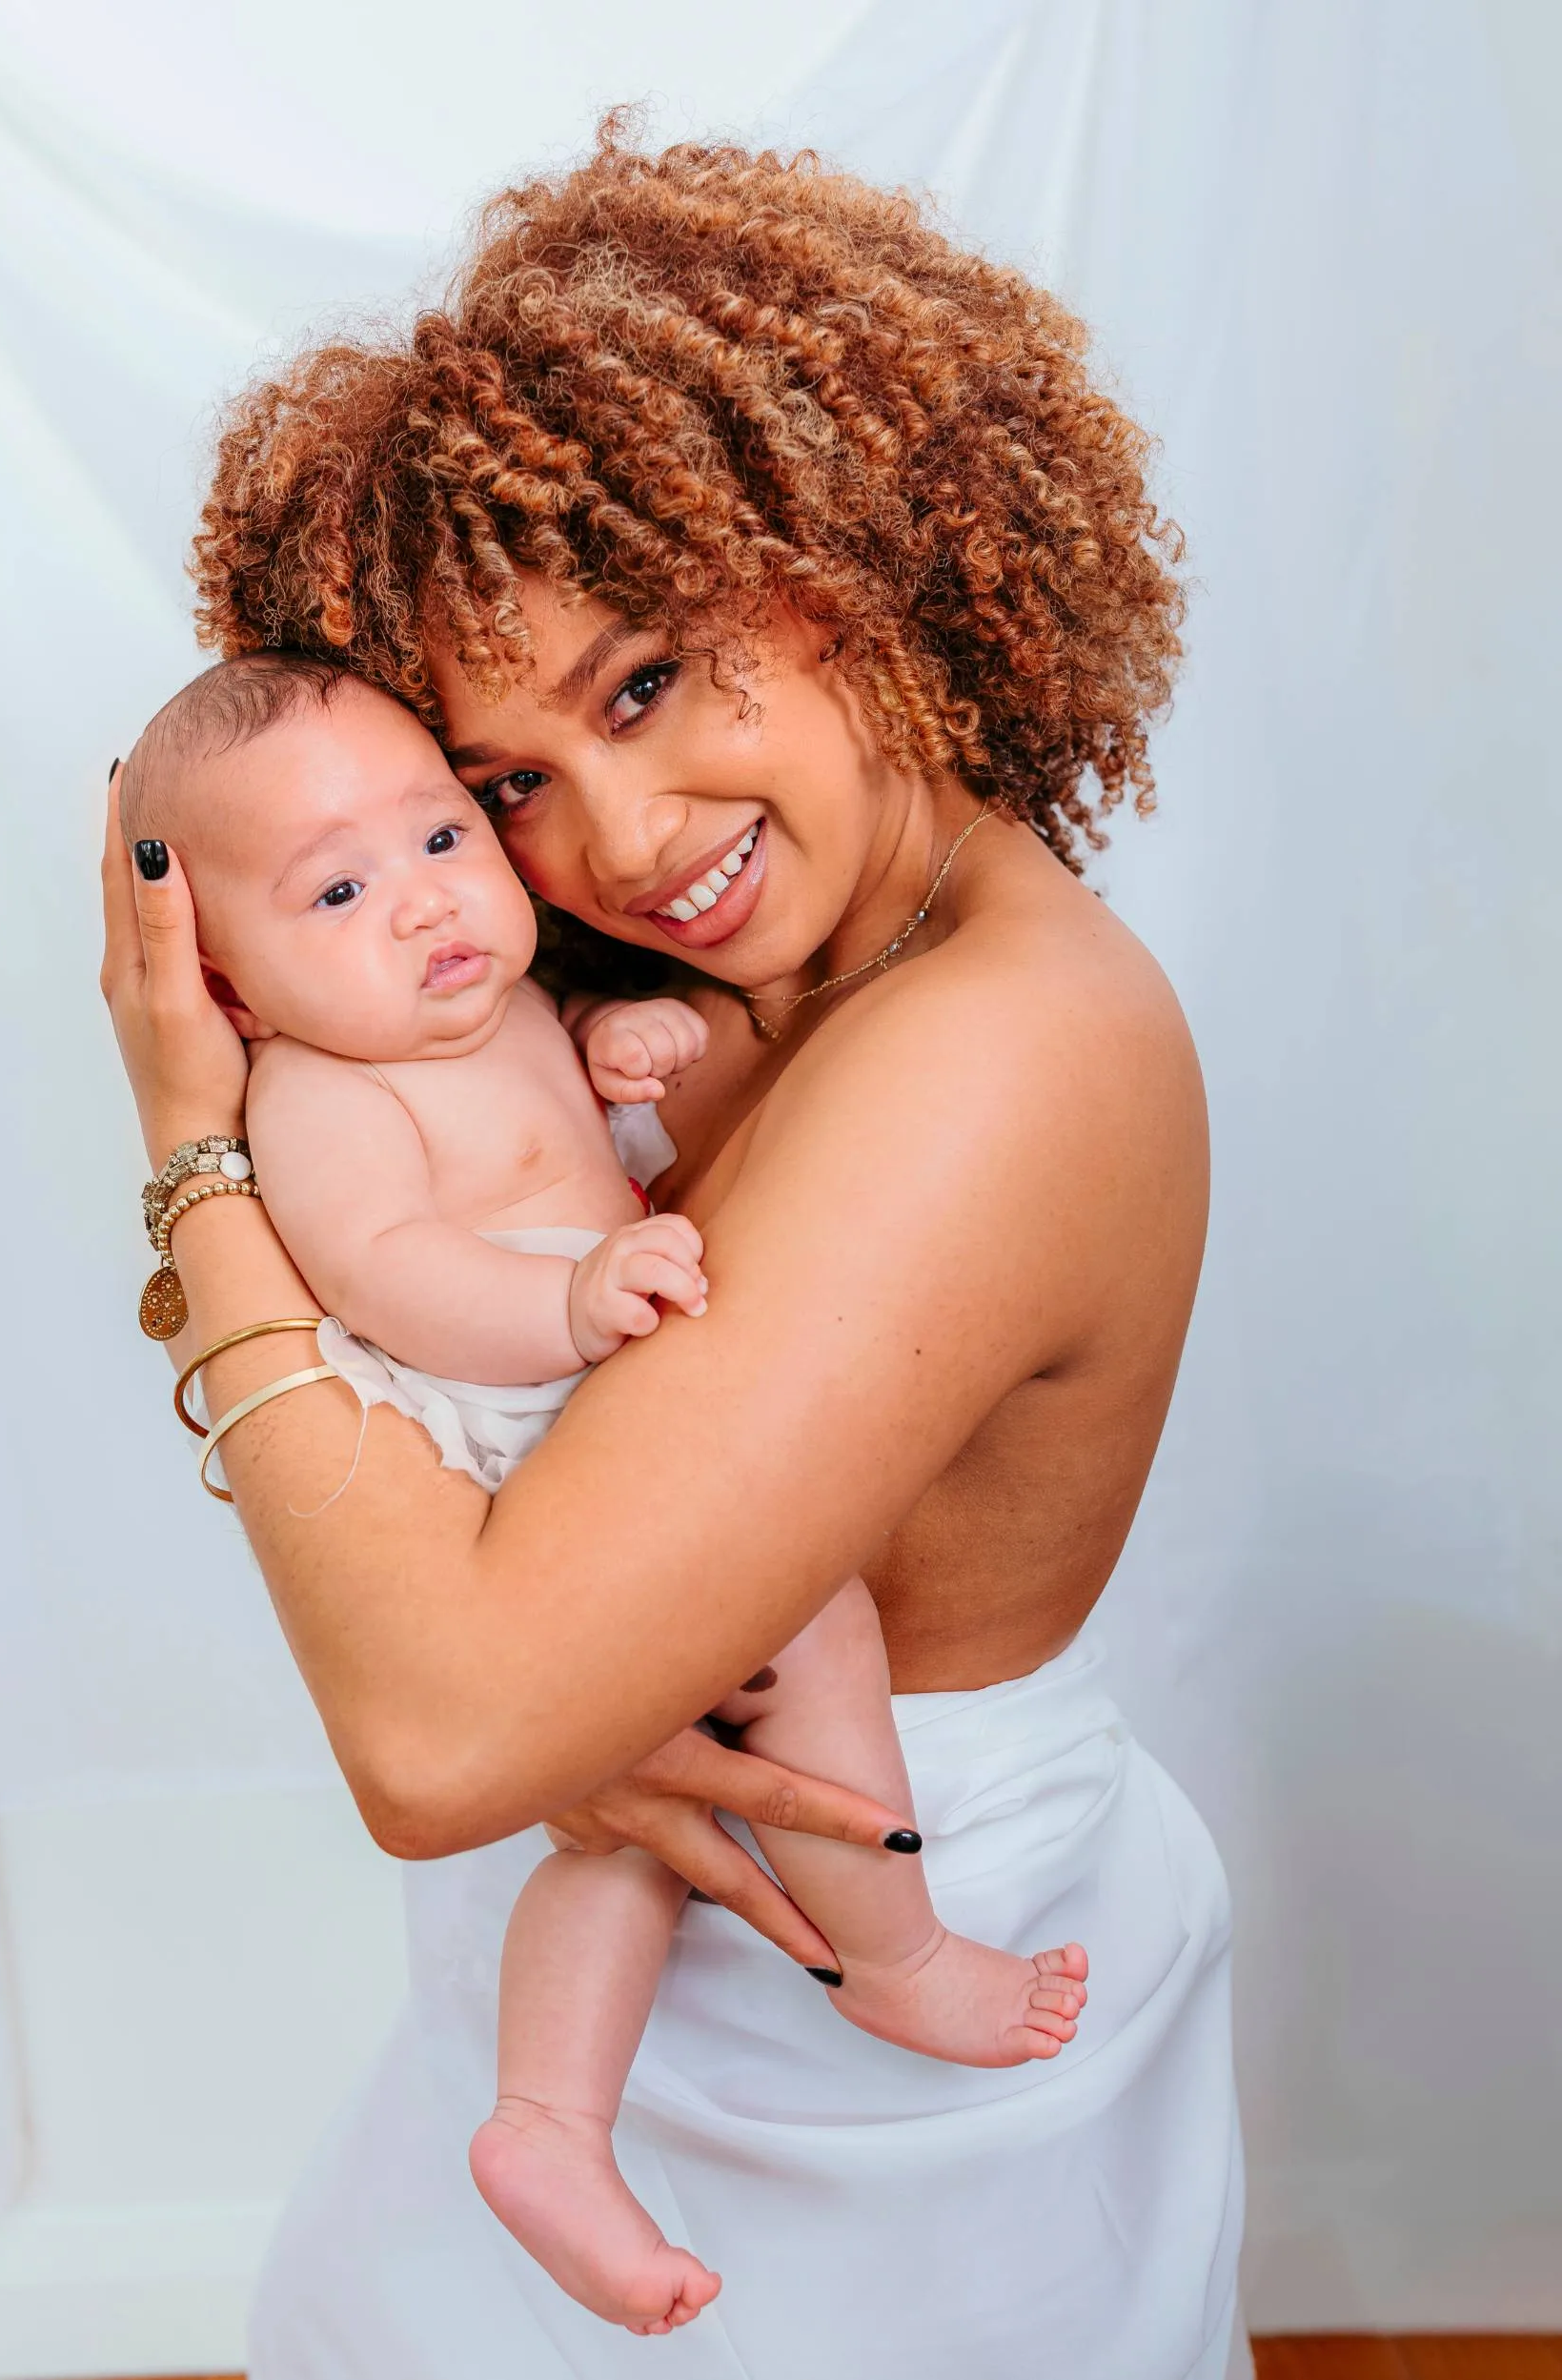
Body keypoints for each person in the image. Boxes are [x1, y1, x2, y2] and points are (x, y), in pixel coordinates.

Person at [100, 130, 1245, 2379]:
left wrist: (187, 1141)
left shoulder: (995, 1053)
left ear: (835, 552)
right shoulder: (722, 982)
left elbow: (439, 1727)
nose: (611, 840)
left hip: (877, 1983)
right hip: (658, 1959)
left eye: (643, 684)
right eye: (500, 782)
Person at [116, 651, 1088, 2333]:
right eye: (338, 890)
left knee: (640, 1836)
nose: (423, 908)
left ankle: (547, 2126)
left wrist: (619, 1038)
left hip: (585, 1379)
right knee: (816, 1641)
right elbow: (391, 1269)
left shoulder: (497, 1018)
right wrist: (563, 1306)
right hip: (511, 1412)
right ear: (229, 991)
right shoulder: (320, 1093)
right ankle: (899, 1954)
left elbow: (569, 1119)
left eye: (439, 837)